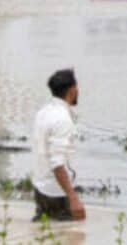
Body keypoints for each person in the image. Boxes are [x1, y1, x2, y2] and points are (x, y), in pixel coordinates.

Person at [32, 69, 85, 222]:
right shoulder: (63, 120)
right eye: (77, 87)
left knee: (47, 233)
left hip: (40, 188)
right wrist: (73, 198)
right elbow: (57, 164)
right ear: (72, 90)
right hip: (56, 193)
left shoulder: (43, 112)